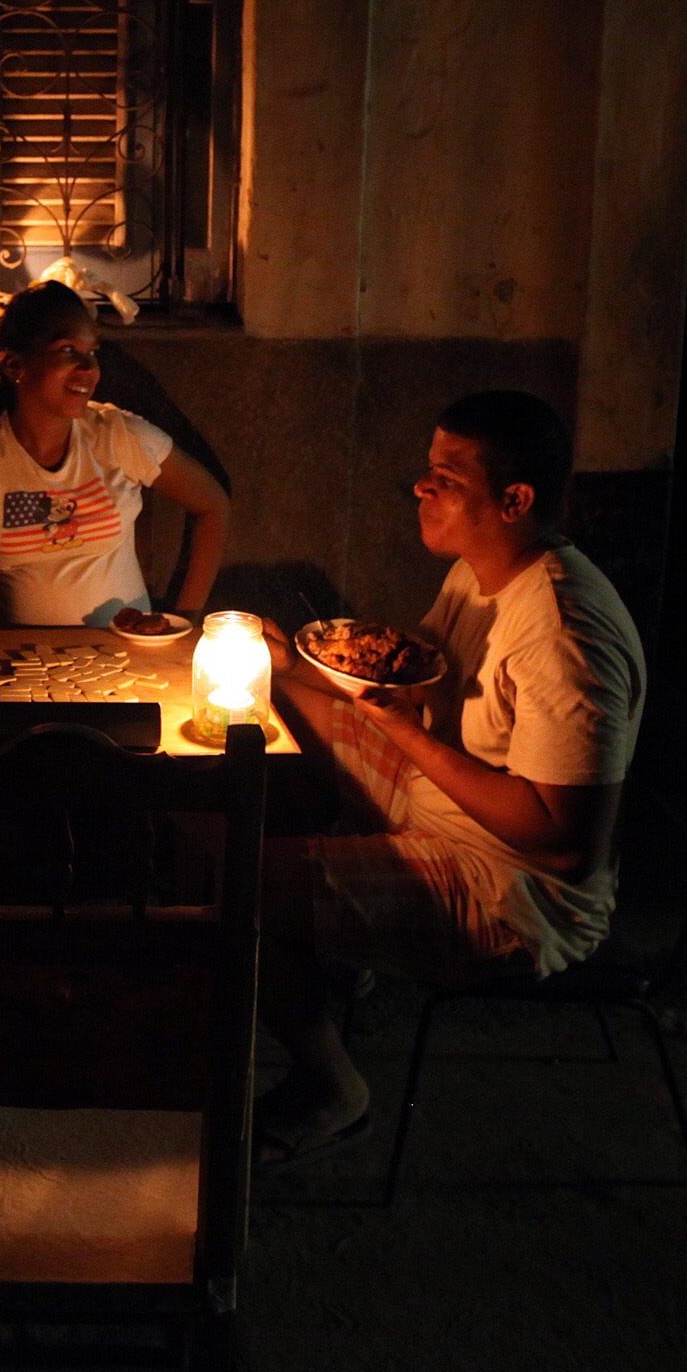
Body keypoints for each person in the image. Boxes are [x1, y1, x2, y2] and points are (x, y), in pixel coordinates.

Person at [249, 391, 646, 1163]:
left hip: (515, 890)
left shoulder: (562, 634)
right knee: (279, 694)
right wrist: (290, 665)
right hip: (441, 804)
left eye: (446, 478)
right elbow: (408, 682)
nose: (421, 490)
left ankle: (333, 1088)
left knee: (244, 886)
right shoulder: (479, 572)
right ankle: (341, 941)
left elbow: (565, 847)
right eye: (426, 472)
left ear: (514, 500)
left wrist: (397, 727)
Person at [0, 279, 232, 629]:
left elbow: (213, 504)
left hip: (127, 657)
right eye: (67, 350)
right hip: (27, 664)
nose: (89, 369)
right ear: (15, 365)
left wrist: (185, 619)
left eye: (92, 353)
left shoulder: (117, 435)